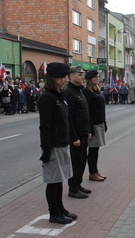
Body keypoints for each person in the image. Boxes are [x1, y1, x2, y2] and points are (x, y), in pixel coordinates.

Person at [37, 62, 77, 224]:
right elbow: (44, 126)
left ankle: (60, 208)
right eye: (62, 77)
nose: (65, 80)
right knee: (53, 181)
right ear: (53, 78)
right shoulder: (47, 97)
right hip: (53, 145)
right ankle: (54, 213)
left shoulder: (59, 95)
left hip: (62, 143)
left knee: (60, 179)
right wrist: (46, 148)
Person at [65, 66, 92, 199]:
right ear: (71, 76)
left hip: (83, 132)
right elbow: (68, 117)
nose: (82, 77)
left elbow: (83, 113)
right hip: (76, 135)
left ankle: (78, 184)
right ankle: (73, 188)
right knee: (76, 162)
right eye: (79, 74)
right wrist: (74, 136)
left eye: (83, 74)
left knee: (82, 160)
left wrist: (87, 130)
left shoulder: (79, 91)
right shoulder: (69, 92)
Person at [82, 70, 107, 181]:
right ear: (90, 79)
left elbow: (101, 108)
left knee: (96, 149)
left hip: (99, 123)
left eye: (98, 77)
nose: (98, 79)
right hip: (94, 124)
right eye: (96, 77)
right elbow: (87, 112)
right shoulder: (87, 92)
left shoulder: (97, 91)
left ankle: (95, 171)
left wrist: (104, 122)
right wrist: (90, 127)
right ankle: (92, 172)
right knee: (92, 150)